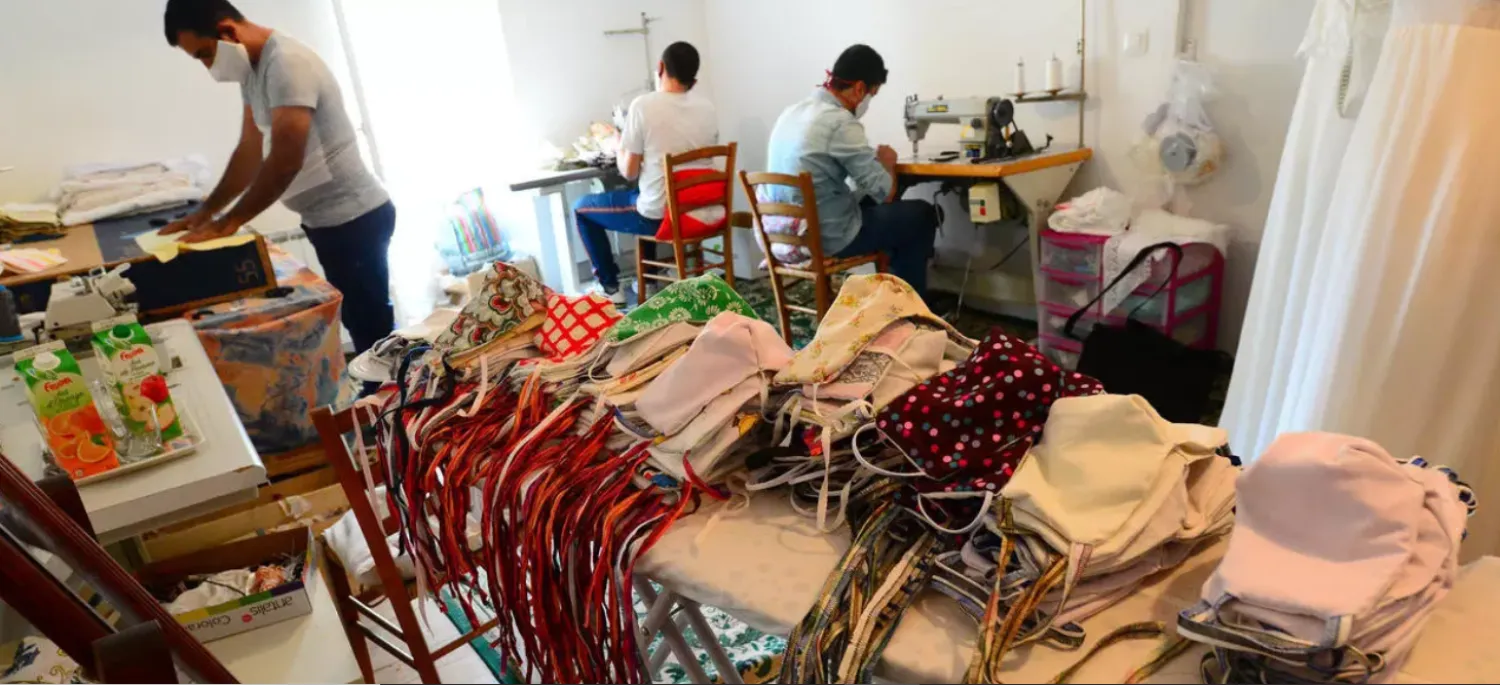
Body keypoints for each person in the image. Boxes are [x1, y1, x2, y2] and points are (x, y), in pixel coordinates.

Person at [161, 0, 395, 357]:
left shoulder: (286, 62)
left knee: (371, 325)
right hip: (326, 221)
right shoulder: (253, 72)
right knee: (360, 320)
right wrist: (206, 213)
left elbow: (286, 160)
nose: (209, 67)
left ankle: (391, 400)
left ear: (227, 31)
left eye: (205, 54)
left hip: (354, 217)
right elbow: (249, 152)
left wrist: (231, 222)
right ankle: (384, 394)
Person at [765, 44, 939, 298]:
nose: (868, 102)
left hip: (786, 233)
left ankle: (892, 298)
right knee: (920, 214)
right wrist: (887, 161)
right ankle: (908, 310)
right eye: (872, 94)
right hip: (827, 236)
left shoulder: (791, 113)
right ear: (859, 88)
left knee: (886, 212)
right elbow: (886, 192)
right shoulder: (840, 122)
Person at [573, 41, 718, 305]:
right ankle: (649, 279)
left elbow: (628, 172)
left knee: (582, 209)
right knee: (646, 192)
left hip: (662, 216)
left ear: (660, 67)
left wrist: (619, 146)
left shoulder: (643, 106)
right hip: (701, 209)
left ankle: (610, 287)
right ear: (694, 80)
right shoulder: (707, 108)